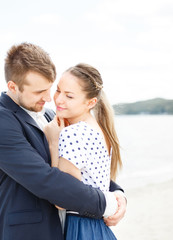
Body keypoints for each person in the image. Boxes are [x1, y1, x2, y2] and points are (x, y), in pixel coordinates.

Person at [0, 43, 126, 240]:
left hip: (66, 230)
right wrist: (106, 204)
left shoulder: (50, 116)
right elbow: (46, 179)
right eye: (39, 92)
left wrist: (117, 193)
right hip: (27, 234)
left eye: (50, 89)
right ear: (13, 87)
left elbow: (81, 166)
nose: (49, 99)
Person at [43, 63, 123, 239]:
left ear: (91, 102)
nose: (59, 99)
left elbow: (62, 199)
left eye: (69, 96)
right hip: (97, 227)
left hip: (82, 228)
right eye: (58, 90)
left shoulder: (73, 133)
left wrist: (53, 142)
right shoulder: (100, 129)